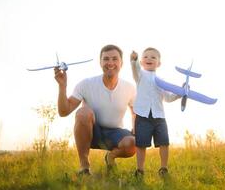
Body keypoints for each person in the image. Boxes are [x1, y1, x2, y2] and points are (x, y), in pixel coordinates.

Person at [54, 44, 136, 175]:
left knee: (133, 143)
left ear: (121, 63)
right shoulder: (86, 84)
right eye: (106, 59)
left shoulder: (129, 88)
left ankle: (110, 157)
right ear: (100, 62)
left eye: (115, 59)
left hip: (116, 133)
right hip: (91, 132)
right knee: (83, 113)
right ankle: (84, 166)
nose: (110, 63)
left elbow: (135, 112)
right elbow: (64, 111)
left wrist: (136, 129)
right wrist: (62, 86)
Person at [130, 48, 180, 178]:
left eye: (153, 57)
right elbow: (135, 70)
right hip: (142, 116)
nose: (149, 59)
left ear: (159, 63)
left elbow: (168, 97)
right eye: (145, 57)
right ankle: (140, 170)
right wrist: (134, 60)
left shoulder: (160, 81)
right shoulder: (140, 75)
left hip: (159, 117)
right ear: (141, 61)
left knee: (164, 142)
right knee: (141, 144)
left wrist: (179, 94)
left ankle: (164, 168)